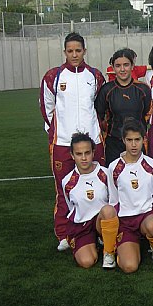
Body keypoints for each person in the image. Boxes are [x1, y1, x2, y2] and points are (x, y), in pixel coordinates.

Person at [39, 32, 106, 251]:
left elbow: (99, 107)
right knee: (63, 188)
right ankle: (64, 233)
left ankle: (100, 230)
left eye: (78, 50)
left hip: (92, 141)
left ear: (84, 51)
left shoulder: (95, 76)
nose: (74, 54)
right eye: (70, 51)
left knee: (99, 186)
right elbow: (47, 107)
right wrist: (54, 132)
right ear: (64, 52)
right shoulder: (53, 77)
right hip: (63, 142)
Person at [108, 119, 153, 273]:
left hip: (146, 217)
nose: (133, 145)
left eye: (137, 139)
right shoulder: (114, 167)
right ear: (123, 140)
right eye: (129, 140)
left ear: (144, 139)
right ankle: (122, 247)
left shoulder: (152, 165)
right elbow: (113, 200)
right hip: (125, 222)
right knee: (129, 267)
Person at [63, 132, 119, 269]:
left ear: (93, 153)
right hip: (82, 226)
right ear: (72, 155)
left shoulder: (105, 174)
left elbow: (114, 201)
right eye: (79, 154)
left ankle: (108, 251)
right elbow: (71, 207)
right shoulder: (67, 182)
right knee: (87, 262)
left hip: (103, 221)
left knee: (108, 210)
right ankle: (94, 242)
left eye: (87, 153)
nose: (83, 158)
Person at [96, 48, 152, 165]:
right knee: (115, 177)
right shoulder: (106, 90)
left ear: (132, 66)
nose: (122, 69)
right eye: (118, 65)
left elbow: (147, 113)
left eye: (126, 65)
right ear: (113, 67)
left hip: (137, 142)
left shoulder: (143, 89)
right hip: (114, 142)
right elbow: (99, 116)